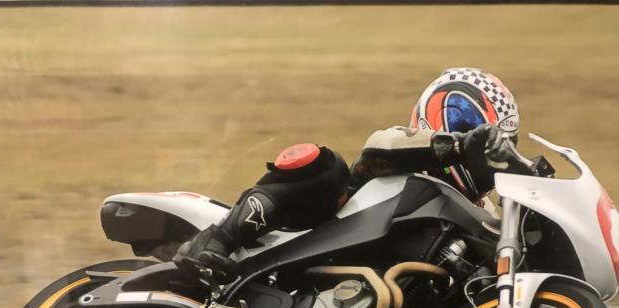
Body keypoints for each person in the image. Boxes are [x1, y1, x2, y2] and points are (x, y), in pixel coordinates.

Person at [174, 68, 520, 279]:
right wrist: (462, 145)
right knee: (326, 164)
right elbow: (379, 148)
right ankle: (216, 240)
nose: (491, 152)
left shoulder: (485, 215)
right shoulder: (402, 145)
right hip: (312, 235)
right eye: (487, 135)